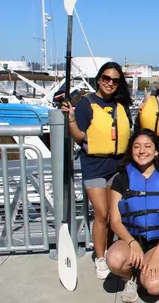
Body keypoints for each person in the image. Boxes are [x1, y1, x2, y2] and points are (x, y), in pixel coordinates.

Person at [62, 61, 133, 279]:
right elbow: (79, 136)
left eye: (115, 80)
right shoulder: (86, 104)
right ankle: (100, 257)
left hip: (117, 165)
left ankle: (111, 251)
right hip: (94, 165)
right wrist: (71, 120)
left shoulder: (121, 105)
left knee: (114, 214)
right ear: (99, 79)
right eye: (106, 78)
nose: (110, 83)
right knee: (101, 213)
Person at [105, 129, 159, 302]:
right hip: (130, 240)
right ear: (131, 151)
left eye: (147, 146)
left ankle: (150, 269)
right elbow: (115, 221)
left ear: (155, 152)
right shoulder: (120, 179)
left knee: (153, 287)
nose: (142, 151)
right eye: (137, 147)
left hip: (158, 243)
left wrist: (155, 257)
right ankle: (129, 276)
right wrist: (132, 243)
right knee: (114, 260)